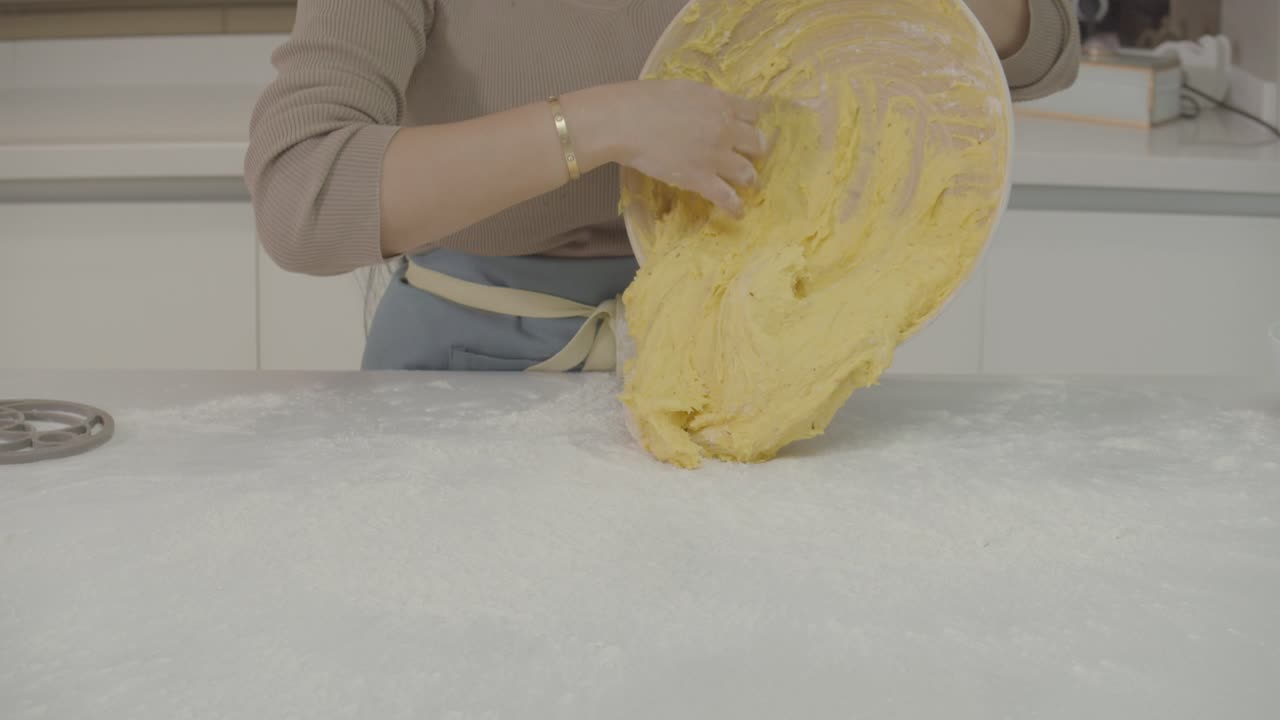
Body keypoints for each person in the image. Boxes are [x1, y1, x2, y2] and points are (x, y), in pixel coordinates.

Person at [245, 0, 1080, 372]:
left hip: (752, 352)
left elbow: (1044, 47)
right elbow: (300, 195)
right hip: (458, 374)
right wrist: (597, 125)